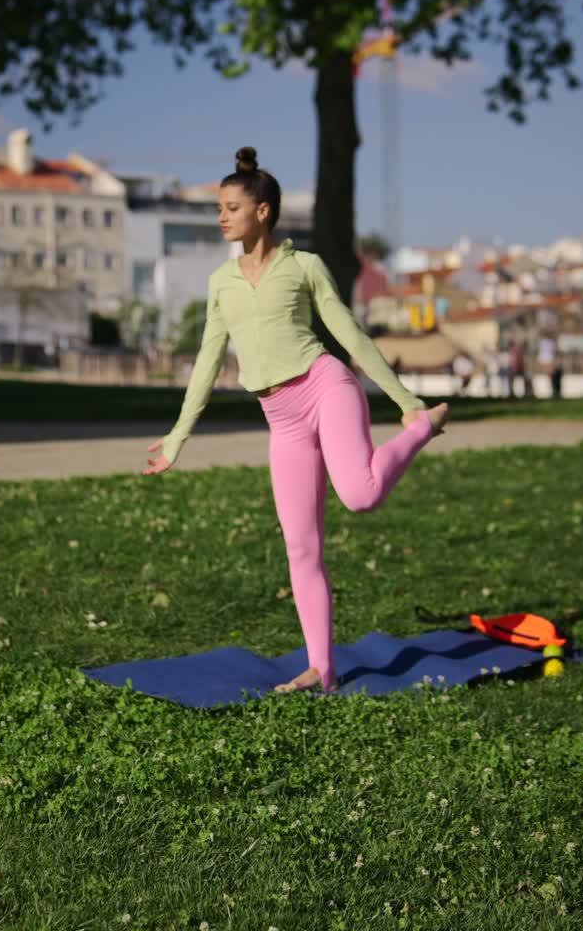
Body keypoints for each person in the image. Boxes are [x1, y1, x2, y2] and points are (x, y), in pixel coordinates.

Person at [143, 147, 449, 694]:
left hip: (326, 388)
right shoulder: (222, 282)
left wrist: (404, 401)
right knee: (301, 548)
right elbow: (209, 362)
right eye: (219, 207)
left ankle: (420, 432)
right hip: (281, 421)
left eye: (230, 207)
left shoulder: (304, 267)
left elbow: (349, 334)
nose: (221, 216)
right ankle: (321, 670)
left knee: (360, 495)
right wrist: (176, 437)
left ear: (263, 211)